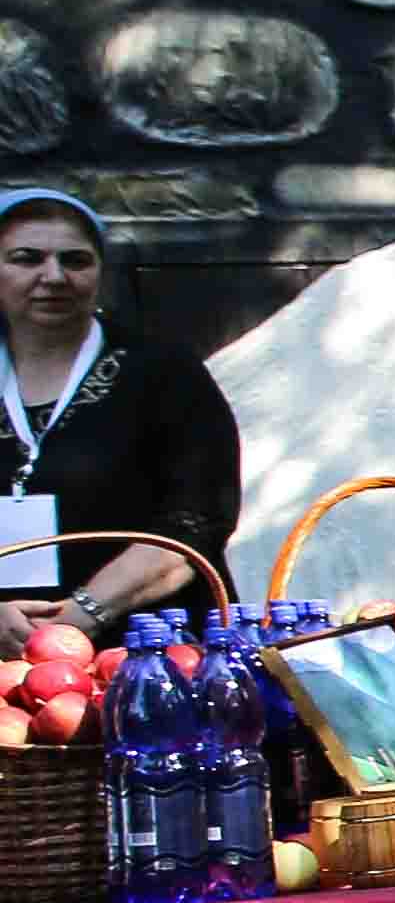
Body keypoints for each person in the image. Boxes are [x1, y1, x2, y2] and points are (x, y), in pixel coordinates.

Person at [0, 185, 240, 647]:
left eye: (75, 260)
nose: (54, 276)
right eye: (27, 258)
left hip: (148, 648)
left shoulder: (163, 372)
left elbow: (196, 520)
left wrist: (82, 615)